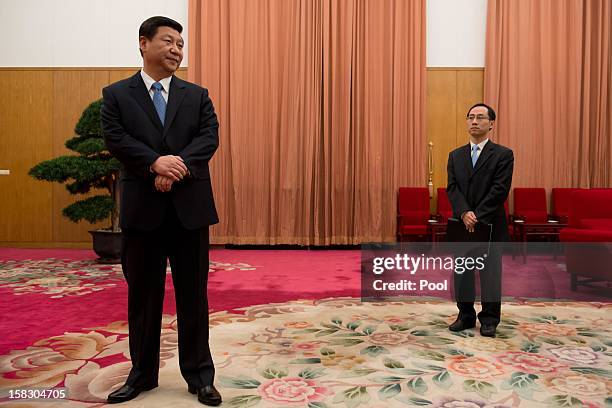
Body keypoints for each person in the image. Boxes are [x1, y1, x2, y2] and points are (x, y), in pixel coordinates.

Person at [101, 16, 221, 406]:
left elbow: (208, 137)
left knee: (193, 296)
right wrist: (154, 163)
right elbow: (116, 138)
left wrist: (175, 166)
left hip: (189, 208)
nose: (176, 50)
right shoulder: (116, 94)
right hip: (143, 211)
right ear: (143, 43)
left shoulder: (197, 94)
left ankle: (200, 376)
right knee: (144, 296)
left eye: (180, 44)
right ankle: (142, 375)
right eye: (169, 41)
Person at [446, 103, 513, 337]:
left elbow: (499, 189)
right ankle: (465, 315)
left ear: (491, 124)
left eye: (480, 117)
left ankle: (489, 319)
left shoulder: (504, 155)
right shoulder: (455, 155)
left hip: (491, 224)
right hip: (462, 224)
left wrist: (477, 215)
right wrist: (464, 212)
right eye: (471, 117)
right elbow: (452, 189)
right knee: (462, 272)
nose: (474, 121)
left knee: (490, 273)